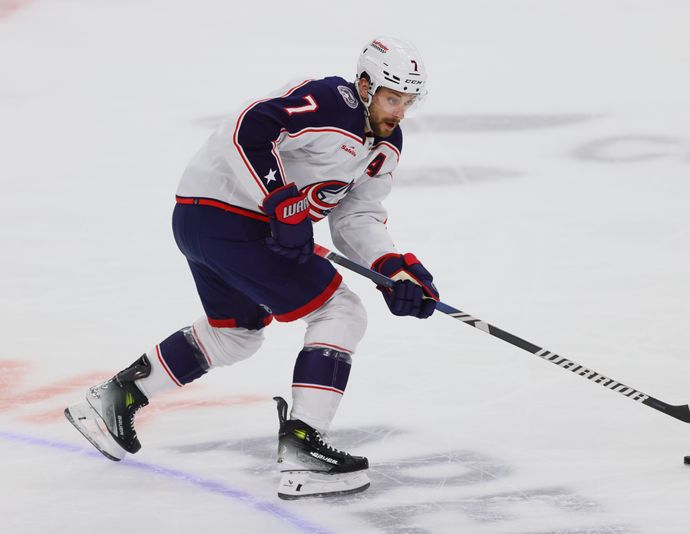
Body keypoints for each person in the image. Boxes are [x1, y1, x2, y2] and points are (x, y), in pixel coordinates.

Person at [64, 36, 439, 499]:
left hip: (210, 223)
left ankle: (113, 399)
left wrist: (395, 269)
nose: (399, 111)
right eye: (391, 97)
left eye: (408, 100)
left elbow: (357, 216)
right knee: (341, 313)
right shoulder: (327, 100)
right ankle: (303, 446)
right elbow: (250, 128)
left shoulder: (385, 146)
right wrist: (282, 204)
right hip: (229, 216)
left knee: (235, 333)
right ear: (364, 85)